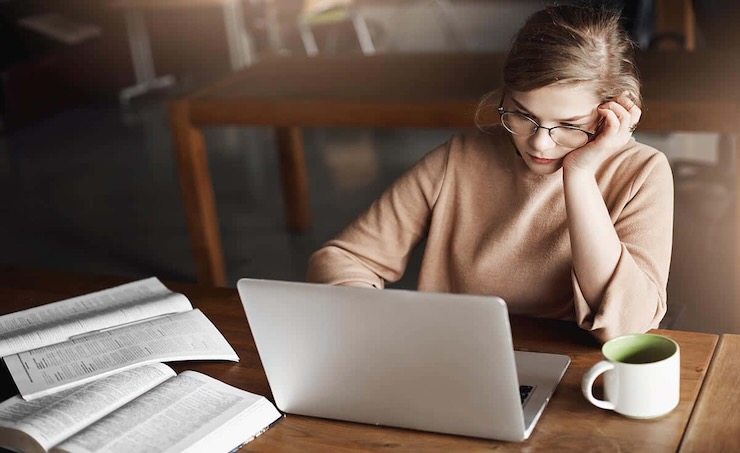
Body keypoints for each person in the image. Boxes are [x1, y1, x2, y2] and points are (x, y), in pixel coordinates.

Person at [305, 4, 674, 343]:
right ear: (505, 96)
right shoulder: (461, 159)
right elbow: (343, 258)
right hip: (459, 357)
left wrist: (579, 177)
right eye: (522, 115)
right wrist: (375, 324)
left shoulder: (642, 172)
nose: (540, 145)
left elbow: (626, 328)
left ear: (614, 111)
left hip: (581, 378)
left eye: (569, 125)